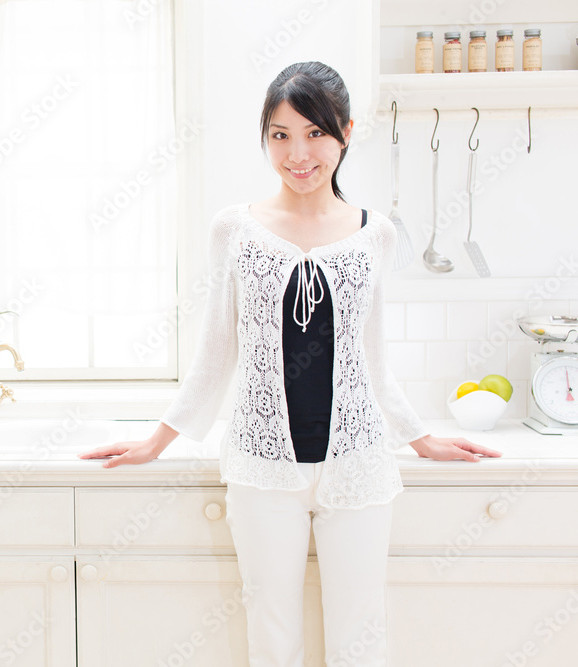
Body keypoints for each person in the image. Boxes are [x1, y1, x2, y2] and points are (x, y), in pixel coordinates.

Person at [77, 60, 502, 667]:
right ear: (264, 138)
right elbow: (216, 351)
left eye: (315, 133)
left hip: (356, 463)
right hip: (261, 463)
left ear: (346, 133)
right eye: (280, 135)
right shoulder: (236, 231)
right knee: (271, 634)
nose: (298, 153)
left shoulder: (374, 234)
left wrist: (423, 439)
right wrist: (156, 442)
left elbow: (374, 362)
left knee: (361, 635)